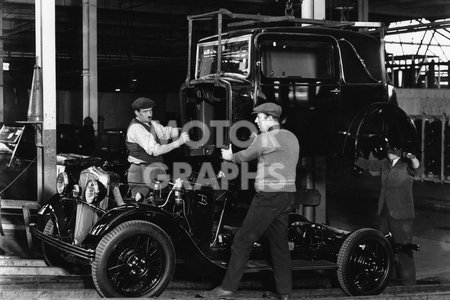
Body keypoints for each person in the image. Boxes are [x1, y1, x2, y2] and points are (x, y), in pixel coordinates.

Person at [203, 102, 299, 300]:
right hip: (287, 195)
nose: (256, 121)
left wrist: (229, 155)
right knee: (279, 245)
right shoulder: (291, 136)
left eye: (260, 117)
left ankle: (227, 289)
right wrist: (257, 141)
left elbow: (244, 156)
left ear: (271, 119)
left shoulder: (265, 139)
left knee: (242, 241)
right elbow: (274, 153)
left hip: (268, 197)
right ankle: (284, 293)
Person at [355, 143, 424, 286]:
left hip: (402, 215)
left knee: (404, 251)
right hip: (384, 213)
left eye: (393, 151)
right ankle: (387, 281)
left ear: (400, 152)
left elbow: (418, 170)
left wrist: (414, 158)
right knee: (382, 248)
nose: (389, 153)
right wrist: (354, 157)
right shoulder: (385, 163)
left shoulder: (406, 164)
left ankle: (410, 287)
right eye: (388, 150)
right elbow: (370, 165)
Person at [126, 97, 189, 198]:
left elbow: (165, 132)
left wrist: (184, 130)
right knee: (142, 205)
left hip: (153, 169)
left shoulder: (151, 124)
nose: (149, 114)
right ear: (137, 113)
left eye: (150, 110)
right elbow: (155, 151)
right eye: (145, 111)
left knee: (157, 203)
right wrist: (179, 142)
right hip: (141, 172)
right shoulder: (137, 128)